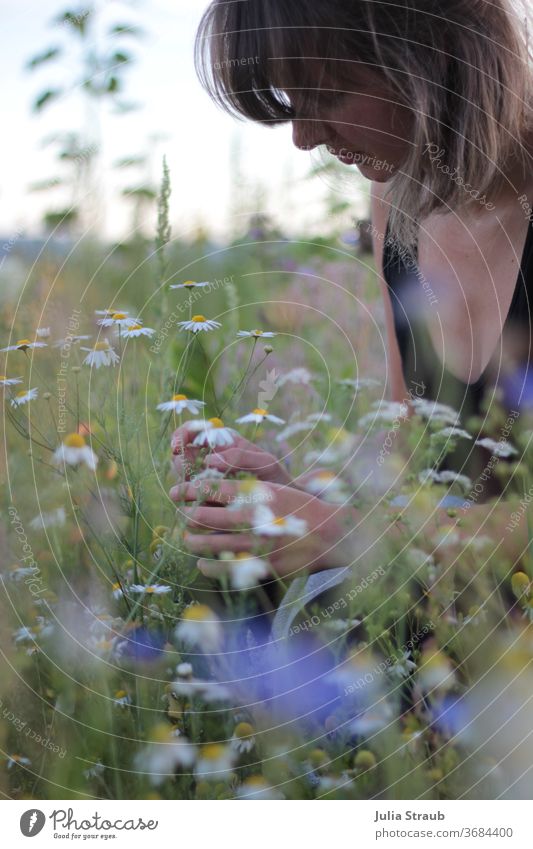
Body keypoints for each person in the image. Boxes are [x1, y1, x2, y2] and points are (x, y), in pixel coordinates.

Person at [170, 0, 533, 583]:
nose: (305, 137)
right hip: (462, 613)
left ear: (433, 58)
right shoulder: (399, 199)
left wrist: (351, 536)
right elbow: (415, 461)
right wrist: (301, 499)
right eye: (292, 104)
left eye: (327, 99)